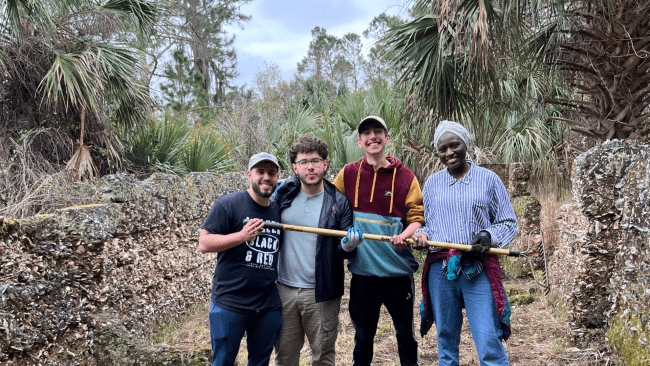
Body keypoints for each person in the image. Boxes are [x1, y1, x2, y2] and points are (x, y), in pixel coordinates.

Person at [411, 120, 518, 366]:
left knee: (488, 339)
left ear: (466, 145)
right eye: (442, 149)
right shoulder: (432, 184)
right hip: (441, 270)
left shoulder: (488, 179)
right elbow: (429, 225)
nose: (449, 153)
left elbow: (508, 221)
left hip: (477, 268)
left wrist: (488, 235)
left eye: (454, 145)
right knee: (446, 339)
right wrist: (423, 237)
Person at [333, 115, 425, 366]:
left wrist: (407, 234)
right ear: (359, 141)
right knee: (362, 339)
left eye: (378, 132)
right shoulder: (348, 173)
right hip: (363, 273)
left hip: (397, 273)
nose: (372, 136)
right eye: (366, 133)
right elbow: (331, 204)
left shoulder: (406, 176)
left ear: (387, 138)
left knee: (405, 336)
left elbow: (416, 217)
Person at [273, 135, 364, 366]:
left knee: (322, 356)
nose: (310, 166)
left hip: (321, 293)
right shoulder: (283, 195)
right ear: (295, 167)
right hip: (284, 290)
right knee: (284, 355)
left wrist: (348, 245)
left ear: (325, 164)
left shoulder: (340, 201)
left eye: (315, 160)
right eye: (303, 162)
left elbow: (343, 251)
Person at [198, 152, 283, 366]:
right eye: (260, 172)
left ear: (277, 178)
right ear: (248, 175)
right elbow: (204, 243)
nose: (266, 177)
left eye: (271, 173)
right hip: (229, 302)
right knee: (223, 361)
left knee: (260, 362)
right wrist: (241, 236)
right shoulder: (229, 204)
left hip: (266, 305)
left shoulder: (279, 210)